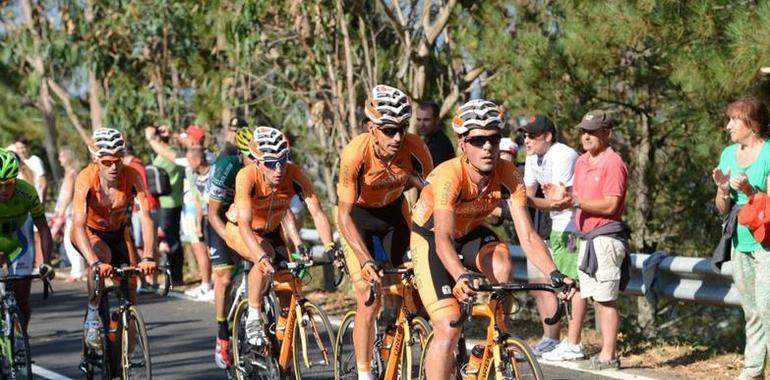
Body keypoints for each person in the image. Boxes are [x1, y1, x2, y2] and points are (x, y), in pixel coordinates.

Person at [411, 99, 573, 379]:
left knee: (502, 267)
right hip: (432, 238)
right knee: (449, 326)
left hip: (471, 230)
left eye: (493, 138)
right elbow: (443, 240)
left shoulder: (509, 173)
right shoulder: (450, 176)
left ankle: (495, 343)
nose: (487, 146)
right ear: (463, 143)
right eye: (478, 140)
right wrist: (461, 274)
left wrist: (554, 273)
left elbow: (528, 236)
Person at [337, 84, 433, 380]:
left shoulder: (415, 148)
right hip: (358, 217)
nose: (397, 137)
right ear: (372, 128)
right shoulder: (355, 154)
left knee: (416, 285)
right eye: (389, 130)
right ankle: (365, 374)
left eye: (402, 129)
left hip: (394, 213)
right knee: (368, 294)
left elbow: (432, 196)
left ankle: (400, 338)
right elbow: (343, 215)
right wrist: (366, 260)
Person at [227, 127, 336, 348]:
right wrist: (259, 256)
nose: (278, 169)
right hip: (242, 230)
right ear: (258, 162)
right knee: (264, 256)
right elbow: (246, 226)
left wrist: (330, 246)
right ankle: (254, 317)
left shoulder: (295, 174)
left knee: (287, 289)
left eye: (282, 160)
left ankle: (283, 357)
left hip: (272, 231)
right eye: (270, 163)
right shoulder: (246, 177)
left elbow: (316, 211)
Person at [554, 109, 629, 370]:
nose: (586, 136)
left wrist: (575, 201)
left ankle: (609, 355)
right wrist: (562, 196)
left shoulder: (613, 163)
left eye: (592, 131)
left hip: (605, 237)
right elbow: (577, 197)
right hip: (586, 237)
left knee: (606, 298)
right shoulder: (582, 161)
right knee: (596, 296)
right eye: (584, 131)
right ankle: (606, 352)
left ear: (607, 133)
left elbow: (610, 205)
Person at [71, 128, 157, 351]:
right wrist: (94, 263)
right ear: (96, 160)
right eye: (107, 161)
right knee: (103, 257)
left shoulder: (132, 176)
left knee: (131, 283)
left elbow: (146, 218)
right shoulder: (85, 178)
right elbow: (78, 225)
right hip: (88, 232)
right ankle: (92, 314)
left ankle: (124, 355)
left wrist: (147, 256)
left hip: (118, 232)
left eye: (118, 160)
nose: (113, 167)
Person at [514, 115, 586, 360]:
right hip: (555, 227)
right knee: (549, 286)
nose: (527, 140)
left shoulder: (562, 155)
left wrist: (516, 201)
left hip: (572, 227)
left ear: (548, 137)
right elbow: (527, 192)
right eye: (524, 135)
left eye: (532, 135)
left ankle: (573, 342)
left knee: (571, 285)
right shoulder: (533, 157)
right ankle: (554, 339)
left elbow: (558, 203)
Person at [712, 99, 770, 380]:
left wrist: (748, 189)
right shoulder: (727, 155)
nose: (728, 126)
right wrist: (723, 191)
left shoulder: (769, 153)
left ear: (752, 123)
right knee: (752, 310)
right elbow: (722, 208)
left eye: (734, 120)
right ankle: (753, 370)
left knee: (768, 307)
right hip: (740, 241)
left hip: (766, 243)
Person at [208, 125, 254, 368]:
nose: (255, 162)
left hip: (246, 217)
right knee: (225, 278)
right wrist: (230, 239)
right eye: (250, 156)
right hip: (221, 219)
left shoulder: (264, 167)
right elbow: (212, 213)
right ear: (241, 153)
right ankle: (222, 331)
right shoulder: (227, 165)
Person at [0, 148, 54, 332]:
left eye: (8, 183)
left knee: (22, 297)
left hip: (18, 241)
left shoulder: (27, 193)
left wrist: (46, 262)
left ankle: (20, 338)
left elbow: (44, 229)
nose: (4, 190)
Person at [145, 125, 185, 286]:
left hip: (169, 203)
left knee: (170, 239)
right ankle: (174, 276)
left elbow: (163, 151)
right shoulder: (168, 151)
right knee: (170, 238)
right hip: (166, 202)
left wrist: (152, 137)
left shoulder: (172, 153)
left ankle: (176, 277)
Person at [123, 143, 161, 293]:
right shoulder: (139, 163)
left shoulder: (133, 166)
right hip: (149, 207)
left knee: (141, 246)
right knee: (148, 245)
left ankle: (148, 279)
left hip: (142, 209)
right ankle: (150, 280)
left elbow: (141, 190)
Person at [182, 146, 213, 301]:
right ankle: (206, 284)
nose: (188, 163)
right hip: (202, 215)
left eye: (190, 160)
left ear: (199, 159)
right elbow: (197, 200)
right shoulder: (191, 174)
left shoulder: (213, 172)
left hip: (216, 215)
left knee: (213, 252)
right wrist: (198, 223)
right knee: (201, 249)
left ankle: (212, 284)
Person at [50, 148, 84, 282]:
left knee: (70, 242)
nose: (59, 160)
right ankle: (77, 271)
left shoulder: (71, 175)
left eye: (62, 157)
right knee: (70, 242)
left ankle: (77, 272)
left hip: (71, 213)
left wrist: (61, 214)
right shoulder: (72, 174)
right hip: (71, 212)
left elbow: (68, 196)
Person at [416, 101, 455, 166]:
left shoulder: (440, 144)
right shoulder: (429, 140)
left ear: (437, 120)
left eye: (426, 120)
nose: (421, 124)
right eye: (419, 119)